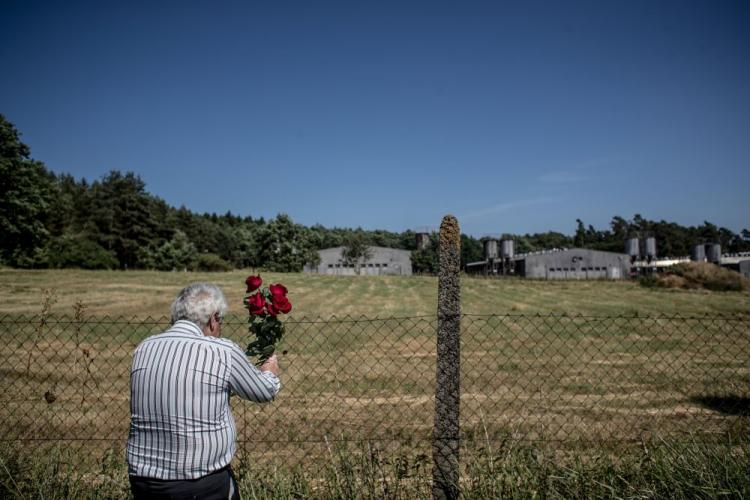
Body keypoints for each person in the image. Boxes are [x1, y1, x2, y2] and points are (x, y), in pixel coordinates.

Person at [126, 282, 280, 499]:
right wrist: (270, 371)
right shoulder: (221, 351)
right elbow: (263, 391)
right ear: (213, 318)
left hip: (143, 480)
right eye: (221, 320)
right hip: (199, 482)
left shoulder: (144, 347)